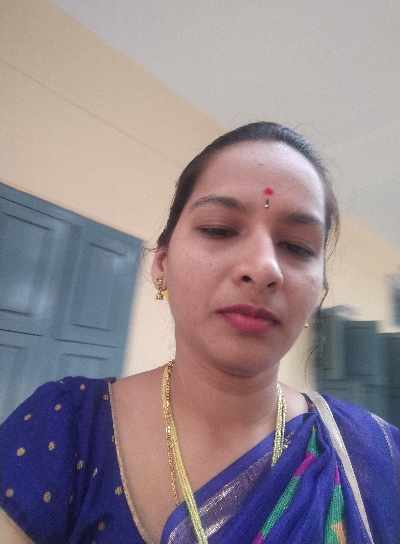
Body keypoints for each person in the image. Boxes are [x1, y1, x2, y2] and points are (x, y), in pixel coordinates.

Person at [0, 122, 399, 544]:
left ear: (318, 293)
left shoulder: (375, 459)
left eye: (297, 247)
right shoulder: (64, 428)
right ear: (162, 264)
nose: (263, 267)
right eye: (218, 229)